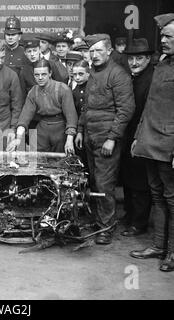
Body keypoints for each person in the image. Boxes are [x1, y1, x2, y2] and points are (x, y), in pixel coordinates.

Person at [75, 34, 135, 245]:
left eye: (99, 50)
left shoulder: (118, 75)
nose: (95, 55)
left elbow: (126, 110)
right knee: (94, 181)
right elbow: (86, 107)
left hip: (106, 139)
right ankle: (99, 220)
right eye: (92, 51)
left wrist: (112, 138)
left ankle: (107, 227)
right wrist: (81, 130)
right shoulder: (92, 73)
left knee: (104, 184)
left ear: (109, 51)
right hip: (91, 137)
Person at [129, 14, 174, 272]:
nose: (163, 41)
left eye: (168, 37)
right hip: (149, 140)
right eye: (163, 36)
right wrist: (137, 136)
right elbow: (149, 106)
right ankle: (158, 245)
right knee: (157, 196)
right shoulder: (162, 64)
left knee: (172, 199)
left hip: (168, 143)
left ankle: (172, 252)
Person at [120, 38, 154, 237]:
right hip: (127, 133)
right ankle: (129, 215)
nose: (134, 62)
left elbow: (148, 112)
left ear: (148, 58)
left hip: (142, 135)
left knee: (140, 181)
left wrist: (139, 137)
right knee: (127, 176)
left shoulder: (151, 79)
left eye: (139, 58)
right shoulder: (130, 77)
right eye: (131, 58)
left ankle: (139, 222)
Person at [8, 59, 77, 154]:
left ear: (50, 73)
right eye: (37, 75)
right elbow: (25, 116)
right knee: (39, 162)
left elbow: (71, 117)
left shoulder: (63, 89)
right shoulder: (33, 91)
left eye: (43, 74)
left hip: (60, 129)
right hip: (42, 129)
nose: (40, 78)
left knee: (60, 163)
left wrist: (69, 140)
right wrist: (18, 138)